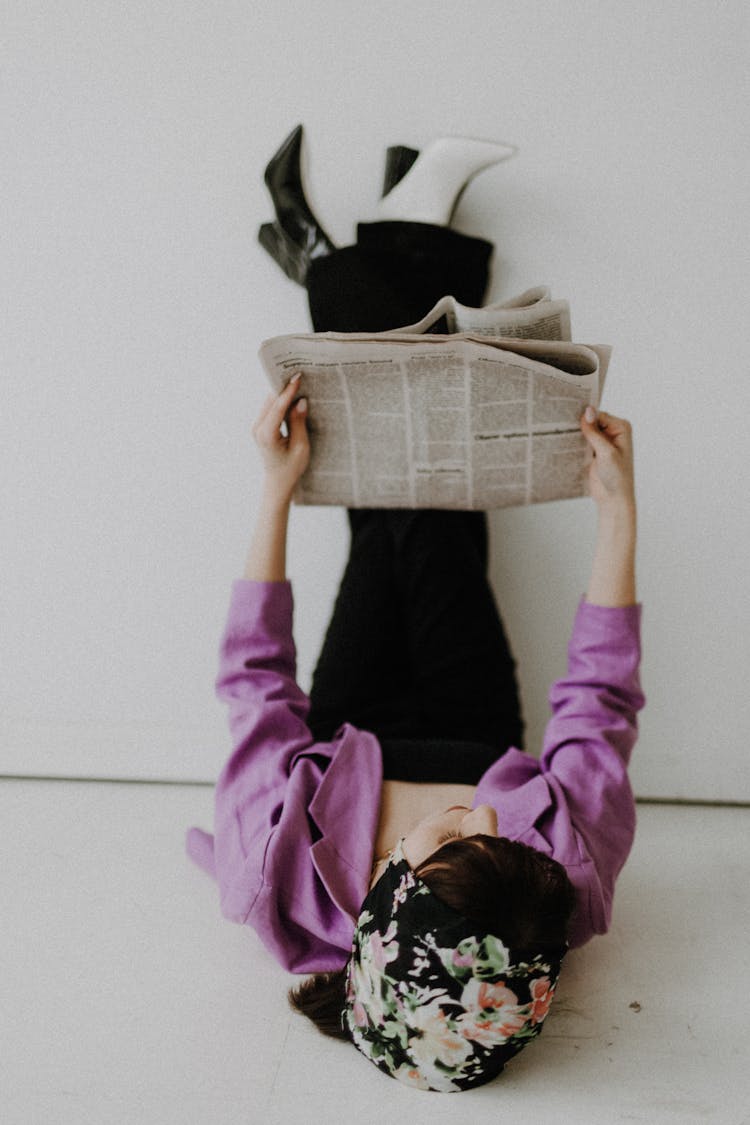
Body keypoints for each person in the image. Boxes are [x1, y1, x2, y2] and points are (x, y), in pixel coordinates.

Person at [186, 378, 644, 1092]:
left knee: (392, 521)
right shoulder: (557, 888)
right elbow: (601, 700)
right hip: (476, 724)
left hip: (351, 722)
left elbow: (255, 684)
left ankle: (371, 292)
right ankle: (400, 299)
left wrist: (276, 487)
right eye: (503, 843)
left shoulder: (269, 876)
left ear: (392, 888)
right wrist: (618, 509)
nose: (491, 815)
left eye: (460, 842)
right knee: (434, 523)